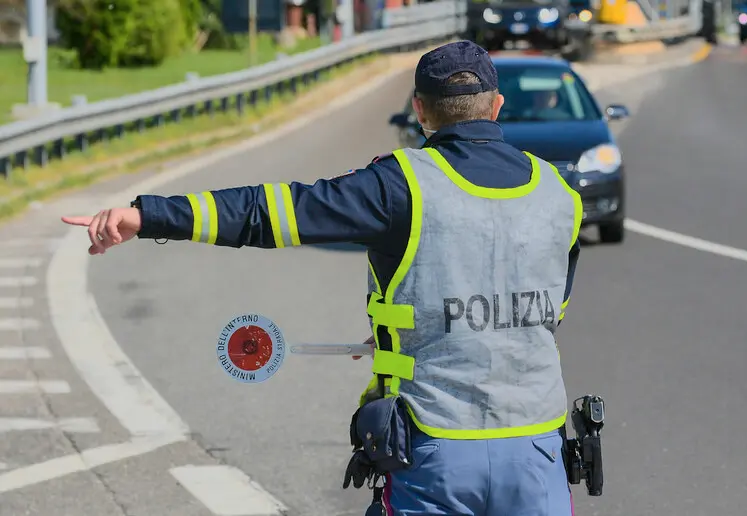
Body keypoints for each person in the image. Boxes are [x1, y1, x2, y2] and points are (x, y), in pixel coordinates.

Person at [62, 40, 582, 516]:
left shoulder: (399, 184)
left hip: (435, 447)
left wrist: (147, 215)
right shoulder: (559, 192)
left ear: (420, 112)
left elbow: (271, 213)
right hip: (537, 452)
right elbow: (538, 310)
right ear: (496, 107)